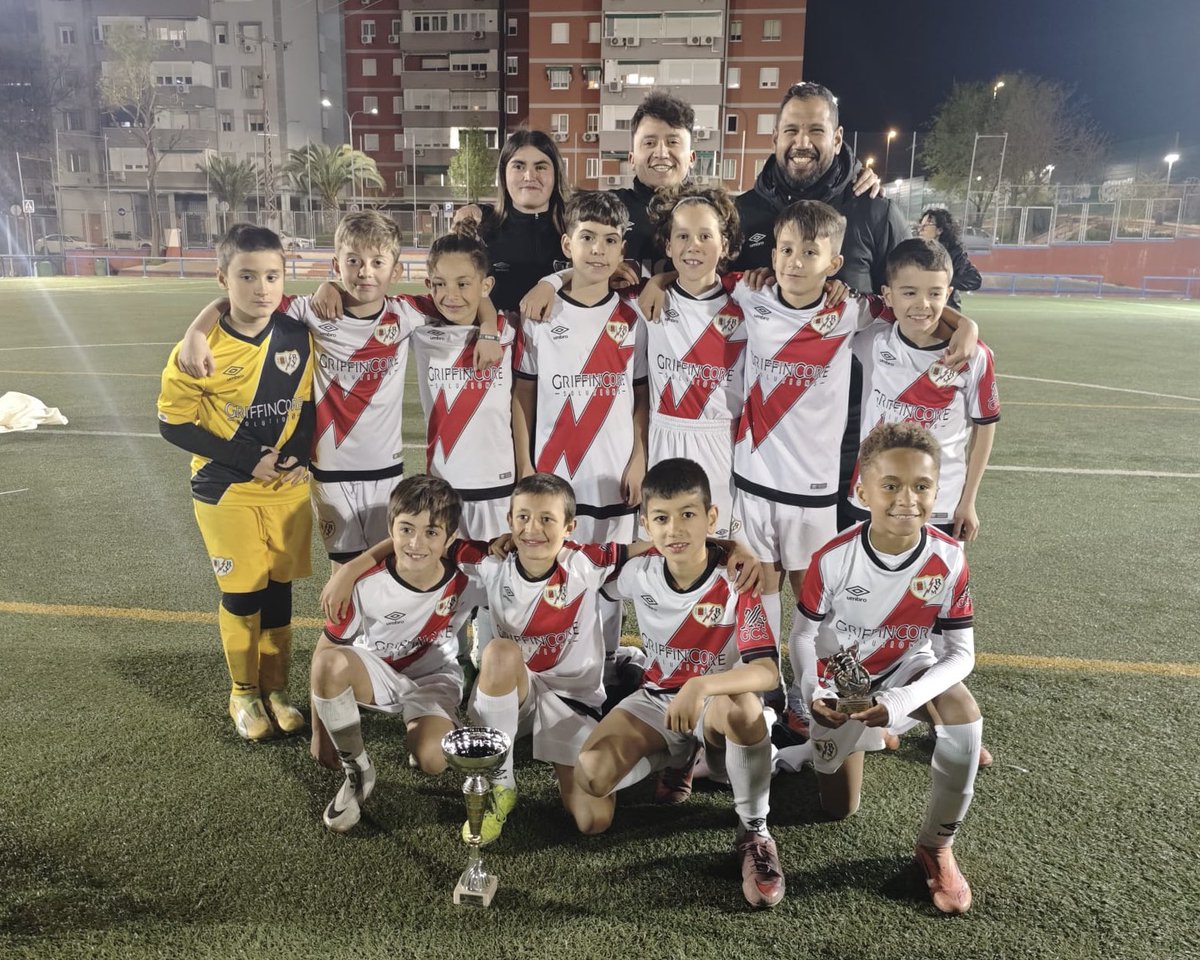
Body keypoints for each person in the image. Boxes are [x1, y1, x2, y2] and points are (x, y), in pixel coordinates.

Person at [727, 201, 977, 744]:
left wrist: (965, 321)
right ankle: (777, 704)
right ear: (773, 253)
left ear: (834, 262)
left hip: (815, 491)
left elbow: (919, 307)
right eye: (787, 250)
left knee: (822, 607)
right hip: (751, 478)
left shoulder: (853, 312)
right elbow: (687, 278)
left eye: (810, 253)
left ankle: (840, 695)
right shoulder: (749, 294)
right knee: (759, 593)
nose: (795, 262)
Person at [176, 212, 500, 567]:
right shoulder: (312, 311)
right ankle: (340, 626)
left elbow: (470, 296)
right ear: (336, 265)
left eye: (378, 262)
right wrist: (196, 331)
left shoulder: (405, 313)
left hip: (385, 469)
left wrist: (488, 330)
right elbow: (238, 302)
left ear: (395, 271)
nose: (365, 272)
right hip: (330, 468)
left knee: (384, 567)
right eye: (353, 261)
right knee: (343, 568)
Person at [788, 421, 984, 914]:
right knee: (837, 809)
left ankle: (936, 847)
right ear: (862, 490)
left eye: (921, 486)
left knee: (964, 718)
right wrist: (812, 692)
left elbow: (962, 654)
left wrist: (897, 701)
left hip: (903, 673)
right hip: (843, 686)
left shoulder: (949, 558)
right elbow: (804, 635)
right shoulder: (832, 559)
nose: (907, 499)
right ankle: (831, 746)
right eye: (891, 485)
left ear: (938, 490)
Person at [576, 458, 785, 909]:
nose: (675, 529)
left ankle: (754, 832)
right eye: (662, 519)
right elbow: (577, 566)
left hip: (714, 704)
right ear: (646, 525)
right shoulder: (637, 570)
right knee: (591, 776)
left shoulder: (736, 575)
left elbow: (768, 671)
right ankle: (678, 754)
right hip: (655, 698)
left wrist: (702, 686)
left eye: (688, 515)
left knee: (745, 707)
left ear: (711, 518)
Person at [157, 223, 315, 742]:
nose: (261, 288)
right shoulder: (198, 350)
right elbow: (173, 424)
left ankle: (277, 690)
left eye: (272, 275)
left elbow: (306, 406)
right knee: (243, 591)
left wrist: (294, 456)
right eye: (247, 276)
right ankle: (243, 692)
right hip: (226, 488)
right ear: (222, 277)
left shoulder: (296, 334)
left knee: (280, 590)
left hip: (286, 490)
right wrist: (249, 460)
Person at [512, 190, 649, 671]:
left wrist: (639, 458)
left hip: (613, 475)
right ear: (568, 243)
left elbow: (640, 395)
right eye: (587, 238)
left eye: (610, 241)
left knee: (610, 580)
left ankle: (606, 665)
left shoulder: (633, 318)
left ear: (620, 252)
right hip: (555, 477)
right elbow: (523, 394)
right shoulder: (540, 315)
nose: (597, 250)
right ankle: (548, 666)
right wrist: (526, 465)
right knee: (555, 575)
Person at [311, 475, 483, 832]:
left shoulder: (470, 577)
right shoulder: (364, 582)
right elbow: (326, 648)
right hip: (377, 671)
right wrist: (318, 731)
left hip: (435, 678)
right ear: (391, 530)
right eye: (405, 530)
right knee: (331, 662)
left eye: (432, 533)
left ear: (450, 539)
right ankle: (357, 770)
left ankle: (423, 729)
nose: (416, 543)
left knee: (433, 760)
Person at [848, 238, 999, 541]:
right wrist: (966, 322)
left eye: (934, 293)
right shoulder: (873, 338)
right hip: (871, 497)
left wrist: (968, 501)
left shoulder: (974, 356)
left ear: (949, 294)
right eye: (909, 292)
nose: (922, 304)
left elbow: (985, 427)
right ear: (888, 295)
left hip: (939, 503)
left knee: (929, 587)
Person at [641, 185, 745, 541]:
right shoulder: (648, 301)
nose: (693, 246)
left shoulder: (748, 304)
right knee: (666, 549)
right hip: (664, 436)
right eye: (682, 236)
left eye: (705, 235)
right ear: (668, 246)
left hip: (720, 443)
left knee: (717, 551)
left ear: (725, 246)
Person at [733, 82, 908, 292]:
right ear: (775, 138)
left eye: (816, 130)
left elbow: (915, 298)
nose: (802, 143)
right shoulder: (741, 212)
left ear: (836, 139)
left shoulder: (876, 213)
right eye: (791, 130)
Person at [452, 130, 571, 312]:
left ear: (556, 175)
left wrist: (553, 282)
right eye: (518, 166)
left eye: (541, 167)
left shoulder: (576, 229)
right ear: (503, 174)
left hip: (563, 338)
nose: (529, 176)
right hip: (496, 338)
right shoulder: (482, 230)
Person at [918, 208, 983, 309]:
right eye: (921, 225)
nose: (921, 229)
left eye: (926, 225)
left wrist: (942, 280)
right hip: (922, 306)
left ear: (940, 230)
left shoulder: (954, 253)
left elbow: (974, 280)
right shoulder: (914, 252)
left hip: (947, 309)